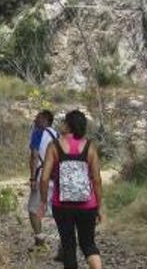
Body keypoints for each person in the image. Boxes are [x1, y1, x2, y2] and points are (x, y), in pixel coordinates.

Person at [39, 110, 103, 269]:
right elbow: (96, 180)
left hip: (62, 206)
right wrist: (99, 207)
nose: (61, 124)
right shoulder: (89, 146)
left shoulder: (54, 146)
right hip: (88, 205)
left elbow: (45, 178)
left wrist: (43, 201)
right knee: (88, 244)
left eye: (64, 122)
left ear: (69, 125)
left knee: (68, 247)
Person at [26, 110, 59, 252]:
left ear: (45, 119)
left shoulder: (38, 133)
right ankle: (64, 242)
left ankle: (40, 242)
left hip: (41, 177)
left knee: (33, 209)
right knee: (58, 210)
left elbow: (34, 156)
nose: (35, 119)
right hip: (55, 177)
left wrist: (32, 178)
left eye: (38, 117)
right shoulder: (57, 135)